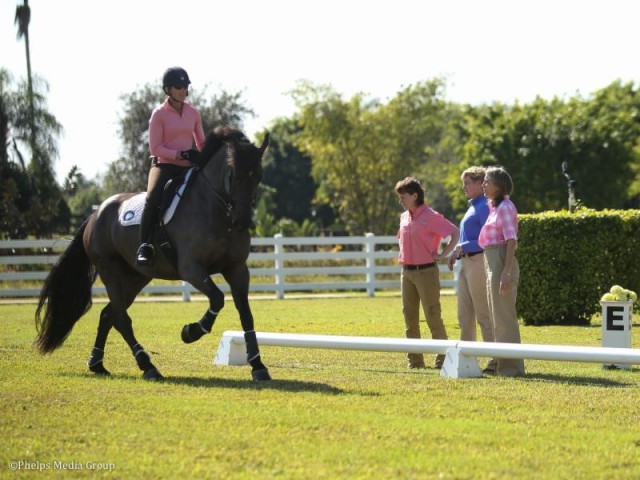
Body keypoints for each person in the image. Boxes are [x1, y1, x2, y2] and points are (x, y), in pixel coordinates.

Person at [136, 67, 206, 266]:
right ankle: (145, 245)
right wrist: (180, 154)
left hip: (188, 167)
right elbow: (155, 147)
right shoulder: (158, 115)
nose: (182, 90)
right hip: (164, 166)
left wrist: (205, 155)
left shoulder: (194, 113)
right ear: (167, 89)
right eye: (178, 87)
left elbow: (201, 143)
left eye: (185, 87)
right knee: (153, 197)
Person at [395, 177, 459, 369]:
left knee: (432, 315)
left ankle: (443, 360)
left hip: (426, 273)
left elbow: (454, 232)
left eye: (403, 197)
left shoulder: (431, 216)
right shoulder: (404, 217)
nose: (400, 201)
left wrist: (443, 254)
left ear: (415, 195)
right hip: (406, 273)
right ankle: (415, 362)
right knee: (410, 317)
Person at [448, 166, 497, 373]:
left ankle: (496, 359)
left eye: (468, 183)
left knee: (483, 314)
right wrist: (456, 252)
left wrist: (463, 247)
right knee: (464, 315)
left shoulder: (484, 207)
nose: (464, 187)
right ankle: (467, 358)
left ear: (479, 183)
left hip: (478, 261)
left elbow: (489, 238)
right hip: (465, 263)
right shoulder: (472, 207)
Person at [478, 166, 525, 377]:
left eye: (487, 181)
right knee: (496, 316)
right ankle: (499, 364)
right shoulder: (494, 208)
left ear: (498, 185)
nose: (483, 185)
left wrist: (506, 272)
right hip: (491, 259)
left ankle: (511, 368)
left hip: (500, 259)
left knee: (504, 317)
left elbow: (511, 240)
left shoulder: (505, 207)